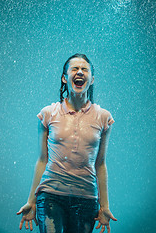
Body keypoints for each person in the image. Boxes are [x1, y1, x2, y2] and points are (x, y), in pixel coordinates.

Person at [17, 53, 117, 233]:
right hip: (50, 196)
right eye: (75, 69)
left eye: (84, 69)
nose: (80, 72)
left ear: (91, 79)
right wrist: (31, 201)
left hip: (86, 199)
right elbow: (42, 160)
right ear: (65, 78)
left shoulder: (104, 117)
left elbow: (100, 164)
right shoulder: (48, 113)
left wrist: (104, 206)